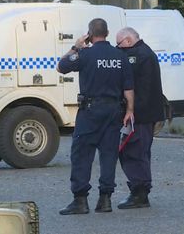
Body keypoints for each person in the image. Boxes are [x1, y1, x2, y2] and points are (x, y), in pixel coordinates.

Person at [57, 18, 134, 215]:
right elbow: (128, 88)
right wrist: (130, 111)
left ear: (90, 35)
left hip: (90, 112)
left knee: (82, 154)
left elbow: (61, 66)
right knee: (109, 155)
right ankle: (105, 200)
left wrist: (76, 46)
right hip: (114, 111)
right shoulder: (120, 56)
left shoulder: (85, 54)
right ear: (107, 33)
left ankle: (80, 201)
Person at [115, 27, 164, 209]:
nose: (117, 48)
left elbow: (132, 85)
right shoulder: (145, 52)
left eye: (119, 44)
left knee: (134, 151)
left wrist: (130, 111)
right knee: (137, 151)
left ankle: (140, 193)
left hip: (140, 115)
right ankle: (139, 190)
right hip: (145, 113)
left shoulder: (137, 56)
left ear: (128, 41)